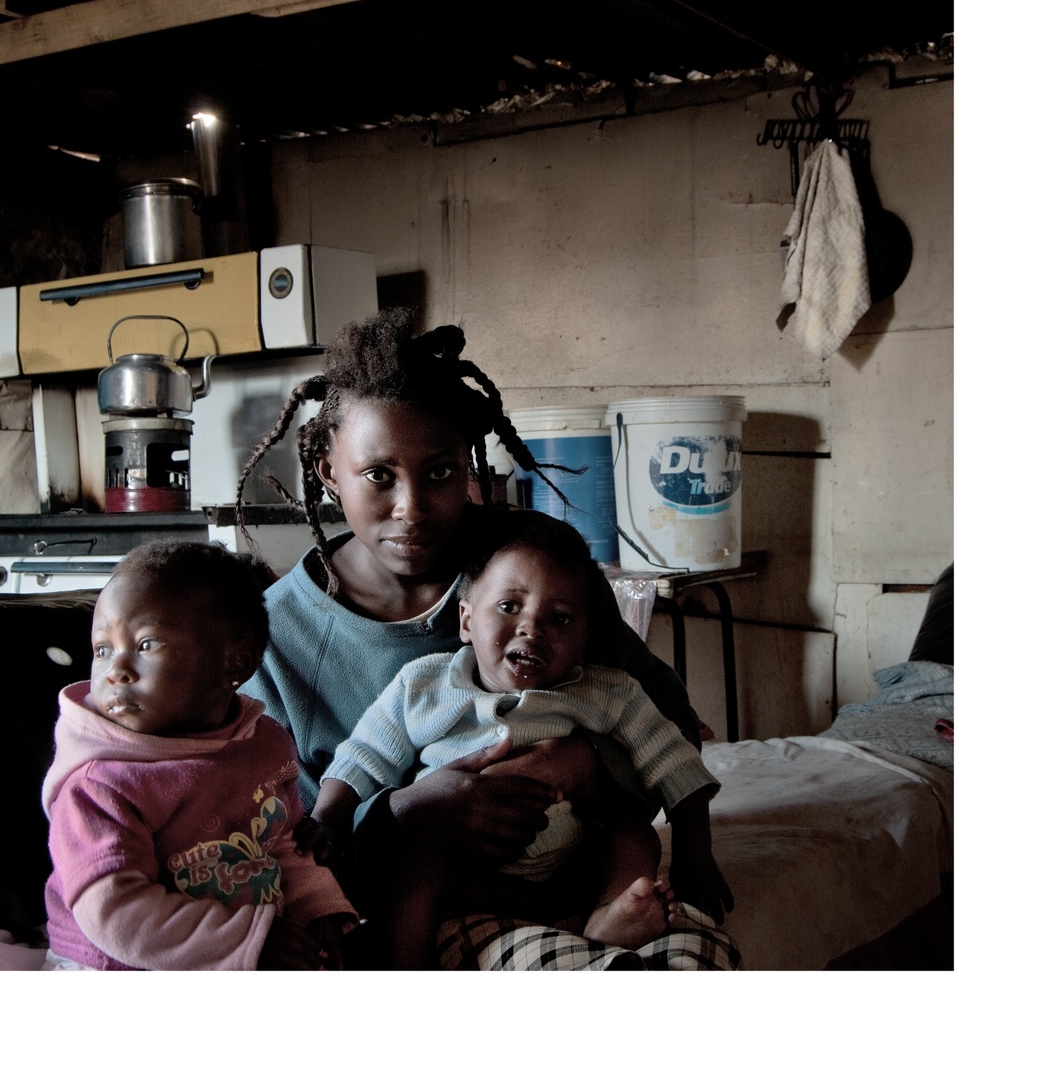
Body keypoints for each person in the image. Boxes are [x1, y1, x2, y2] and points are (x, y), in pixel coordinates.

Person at [237, 307, 734, 969]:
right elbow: (275, 841)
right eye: (379, 476)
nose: (411, 506)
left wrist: (585, 769)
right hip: (422, 895)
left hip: (577, 871)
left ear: (469, 464)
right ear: (329, 470)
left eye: (439, 473)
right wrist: (404, 815)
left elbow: (664, 725)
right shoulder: (270, 639)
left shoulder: (532, 571)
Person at [309, 510, 716, 968]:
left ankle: (606, 922)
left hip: (568, 876)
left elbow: (673, 761)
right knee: (411, 871)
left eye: (560, 618)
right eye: (509, 607)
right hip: (463, 877)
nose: (531, 628)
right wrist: (326, 819)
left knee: (635, 837)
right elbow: (364, 756)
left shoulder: (610, 693)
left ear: (587, 640)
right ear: (465, 620)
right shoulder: (421, 685)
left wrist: (695, 856)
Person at [42, 540, 357, 970]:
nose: (116, 670)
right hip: (118, 966)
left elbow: (281, 844)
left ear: (234, 664)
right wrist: (250, 940)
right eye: (103, 649)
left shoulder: (262, 746)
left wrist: (320, 910)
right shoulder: (98, 783)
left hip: (243, 950)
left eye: (146, 644)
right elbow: (114, 914)